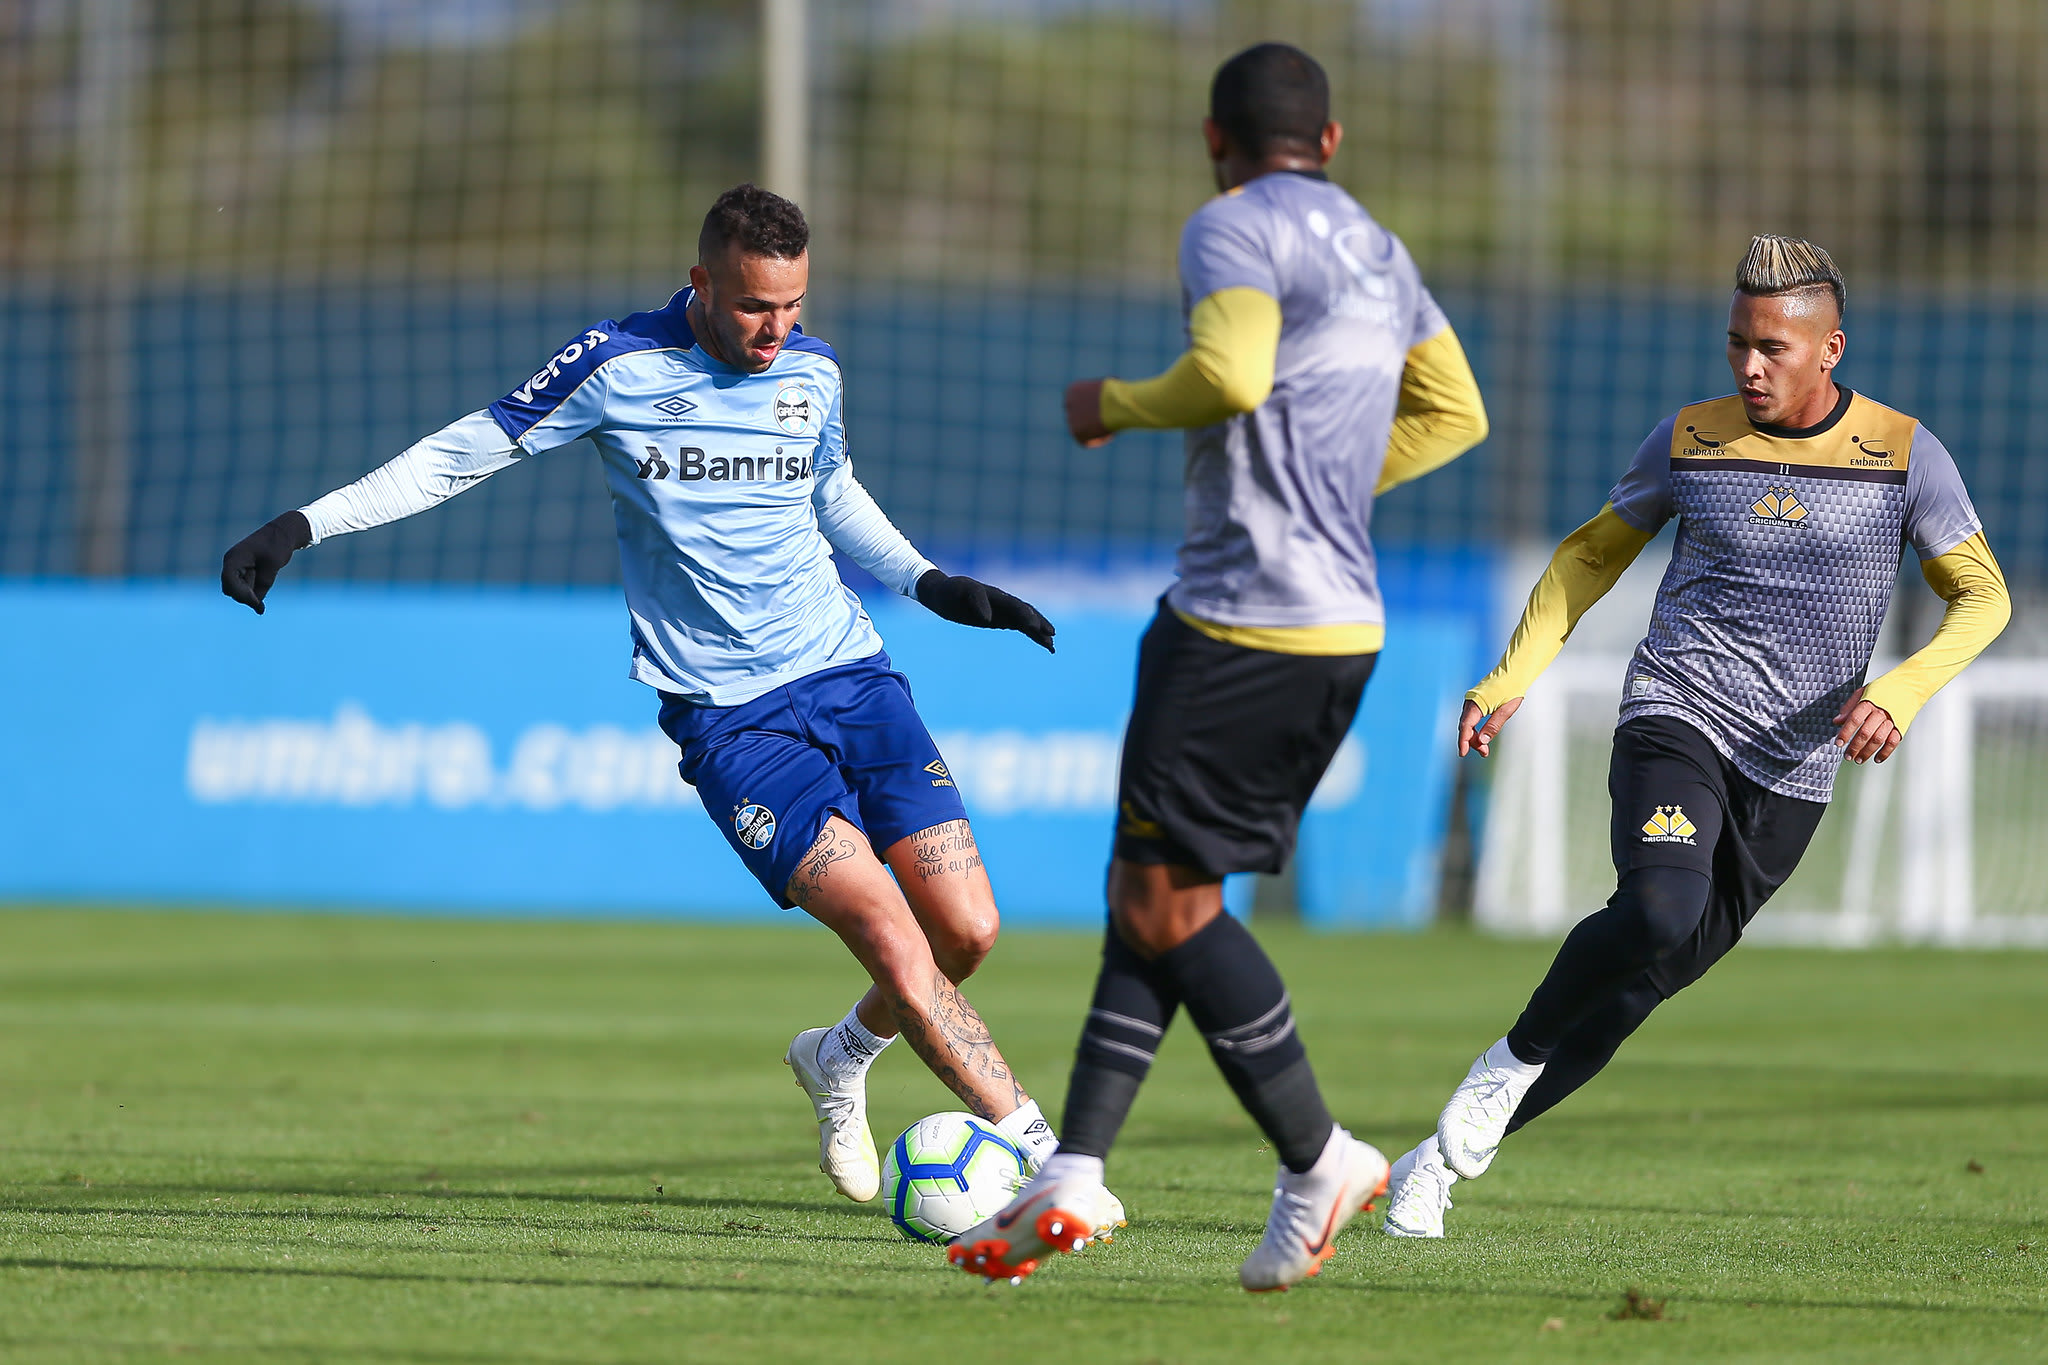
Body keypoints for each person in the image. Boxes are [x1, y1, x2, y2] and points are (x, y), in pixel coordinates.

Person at [221, 184, 1122, 1231]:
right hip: (731, 720)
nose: (774, 330)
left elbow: (829, 492)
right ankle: (1048, 1162)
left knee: (963, 932)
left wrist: (930, 583)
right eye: (751, 307)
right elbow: (461, 453)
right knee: (889, 932)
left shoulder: (812, 370)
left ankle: (836, 1057)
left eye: (790, 306)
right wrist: (302, 524)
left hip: (850, 674)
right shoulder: (615, 365)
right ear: (700, 283)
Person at [950, 43, 1488, 1291]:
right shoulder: (1377, 247)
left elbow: (1232, 373)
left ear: (1214, 139)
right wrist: (1334, 495)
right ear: (1333, 142)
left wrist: (1115, 405)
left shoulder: (1232, 226)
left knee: (1165, 902)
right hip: (1343, 625)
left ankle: (1319, 1156)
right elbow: (1452, 410)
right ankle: (1073, 1169)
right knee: (1154, 891)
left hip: (1239, 618)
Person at [1380, 234, 2011, 1239]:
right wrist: (1511, 676)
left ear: (1828, 349)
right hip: (1678, 710)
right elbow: (1591, 555)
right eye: (1735, 345)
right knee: (1659, 909)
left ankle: (1434, 1166)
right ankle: (1498, 1068)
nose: (1747, 366)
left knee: (1637, 992)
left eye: (1770, 347)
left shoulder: (1901, 454)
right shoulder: (1687, 438)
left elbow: (1980, 599)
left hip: (1795, 768)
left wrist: (1898, 691)